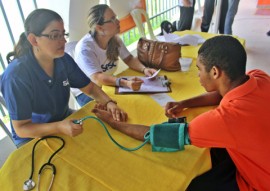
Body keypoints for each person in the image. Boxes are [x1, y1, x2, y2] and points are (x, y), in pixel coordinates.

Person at [92, 35, 270, 190]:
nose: (198, 76)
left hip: (260, 183)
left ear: (215, 72)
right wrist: (184, 103)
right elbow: (222, 93)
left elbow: (155, 134)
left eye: (199, 69)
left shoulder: (225, 119)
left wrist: (115, 123)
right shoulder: (259, 77)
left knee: (193, 185)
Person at [0, 8, 128, 147]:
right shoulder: (16, 76)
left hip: (64, 120)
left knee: (105, 141)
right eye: (55, 36)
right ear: (33, 39)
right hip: (32, 138)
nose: (63, 41)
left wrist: (109, 103)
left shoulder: (62, 60)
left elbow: (90, 88)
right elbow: (22, 129)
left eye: (63, 34)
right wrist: (59, 127)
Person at [73, 4, 157, 107]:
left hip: (107, 83)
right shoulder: (85, 48)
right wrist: (125, 83)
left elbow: (129, 59)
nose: (118, 21)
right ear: (99, 28)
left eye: (115, 17)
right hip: (87, 91)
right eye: (112, 19)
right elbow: (97, 78)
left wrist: (144, 69)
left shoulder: (114, 39)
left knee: (138, 102)